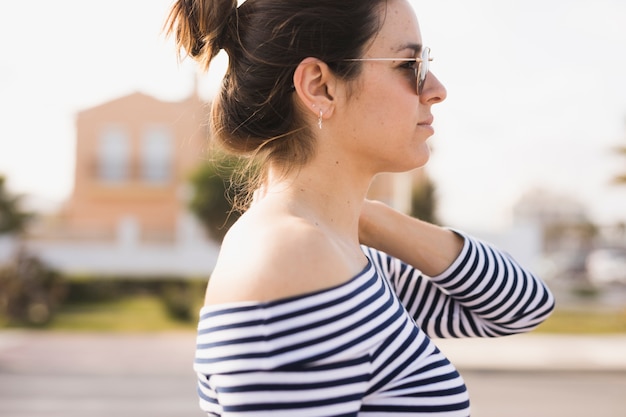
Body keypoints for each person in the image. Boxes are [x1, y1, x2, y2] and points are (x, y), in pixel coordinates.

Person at [166, 0, 555, 415]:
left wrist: (362, 215)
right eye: (410, 65)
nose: (437, 89)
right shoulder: (295, 258)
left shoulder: (339, 251)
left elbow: (522, 307)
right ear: (320, 86)